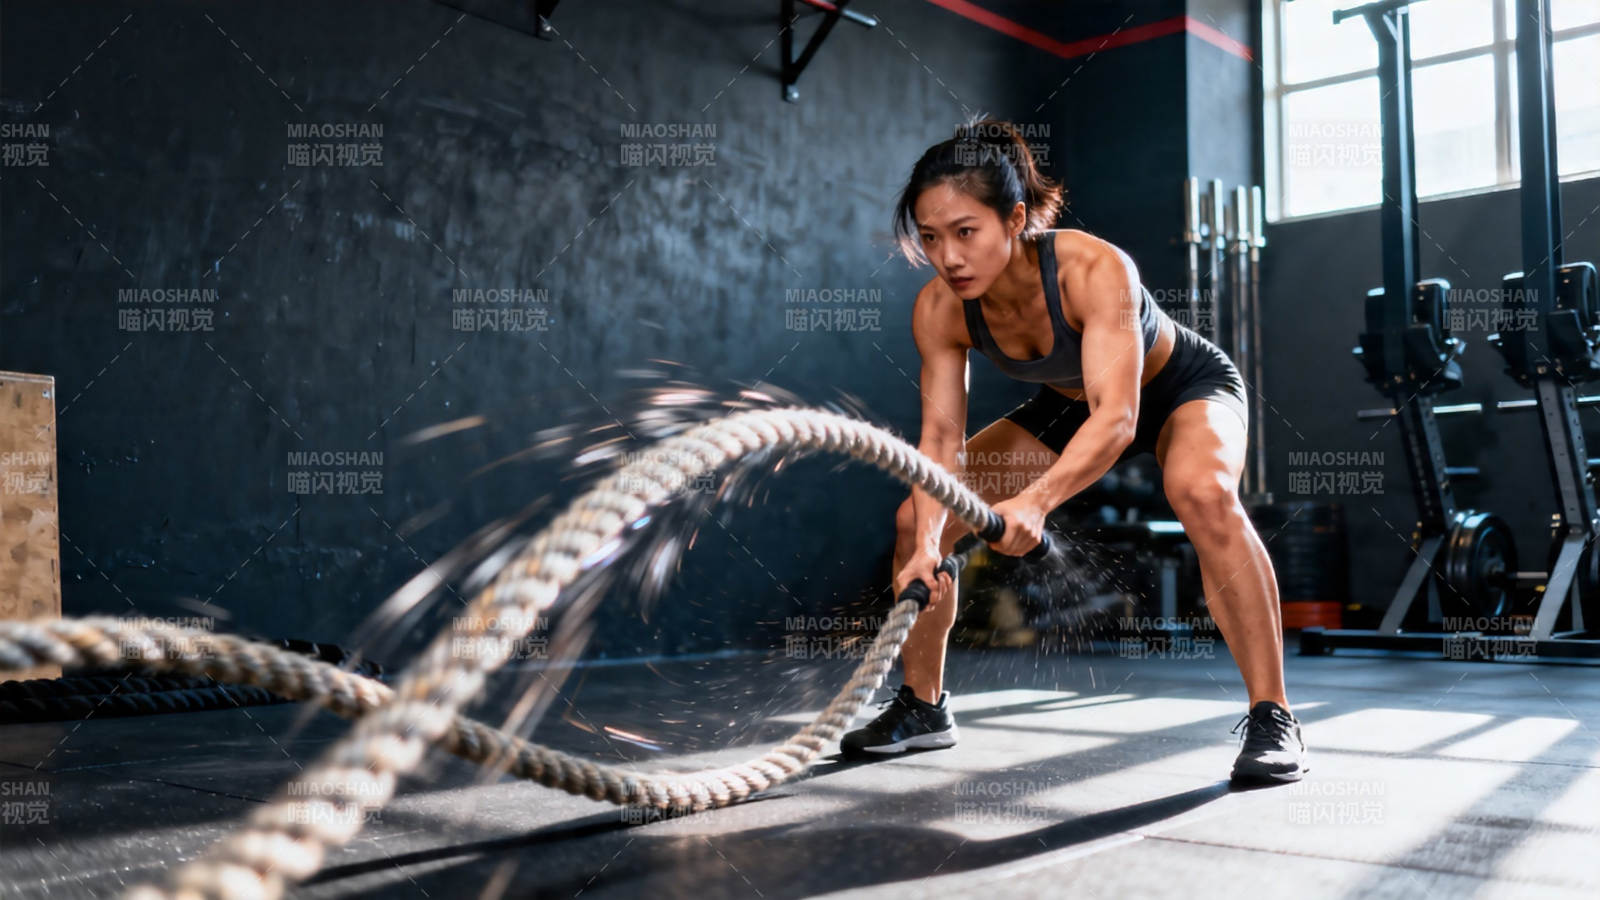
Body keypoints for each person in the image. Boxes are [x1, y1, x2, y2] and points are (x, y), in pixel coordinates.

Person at [839, 117, 1308, 785]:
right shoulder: (940, 309)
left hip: (1180, 388)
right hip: (1067, 406)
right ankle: (923, 707)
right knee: (919, 520)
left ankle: (1274, 716)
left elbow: (1118, 418)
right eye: (932, 238)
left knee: (1201, 492)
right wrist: (925, 550)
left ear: (1016, 219)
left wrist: (1035, 502)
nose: (950, 257)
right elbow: (940, 440)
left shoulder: (1093, 268)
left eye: (966, 232)